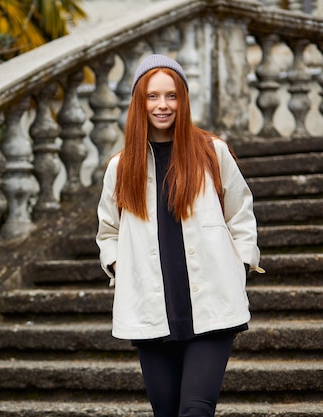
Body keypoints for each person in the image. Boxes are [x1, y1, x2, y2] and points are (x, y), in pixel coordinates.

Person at [96, 54, 263, 417]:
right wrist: (119, 265)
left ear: (183, 100)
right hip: (151, 312)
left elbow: (240, 212)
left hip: (211, 308)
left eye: (171, 95)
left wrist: (242, 266)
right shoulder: (121, 167)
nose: (162, 105)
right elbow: (108, 230)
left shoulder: (211, 153)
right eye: (152, 96)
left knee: (195, 411)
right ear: (139, 101)